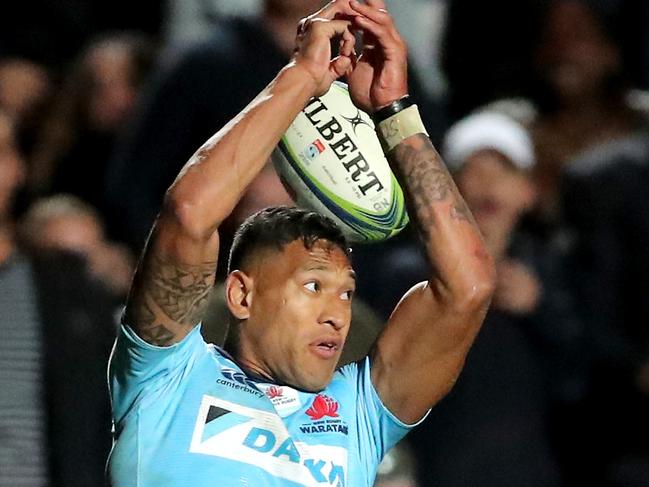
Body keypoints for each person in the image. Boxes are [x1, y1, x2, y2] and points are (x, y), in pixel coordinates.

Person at [107, 1, 495, 485]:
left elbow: (467, 288)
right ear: (241, 295)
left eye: (346, 292)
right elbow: (189, 215)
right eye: (314, 286)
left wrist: (394, 111)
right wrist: (302, 76)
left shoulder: (360, 414)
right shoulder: (166, 376)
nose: (338, 311)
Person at [409, 110, 586, 487]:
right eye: (472, 169)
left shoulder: (557, 272)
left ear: (528, 191)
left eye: (504, 169)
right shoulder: (406, 276)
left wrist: (539, 308)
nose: (488, 182)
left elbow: (581, 382)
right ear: (446, 186)